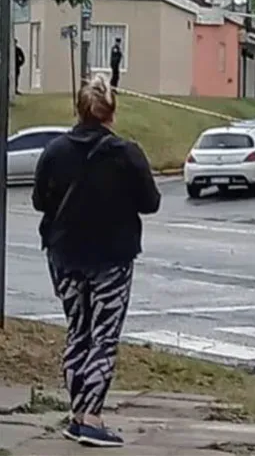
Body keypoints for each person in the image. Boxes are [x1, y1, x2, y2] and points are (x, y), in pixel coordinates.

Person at [31, 73, 161, 448]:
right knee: (104, 336)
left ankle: (77, 413)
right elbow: (150, 203)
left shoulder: (55, 152)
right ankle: (92, 417)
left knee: (78, 330)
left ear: (78, 110)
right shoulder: (127, 154)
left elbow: (41, 201)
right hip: (112, 258)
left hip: (65, 254)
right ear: (111, 113)